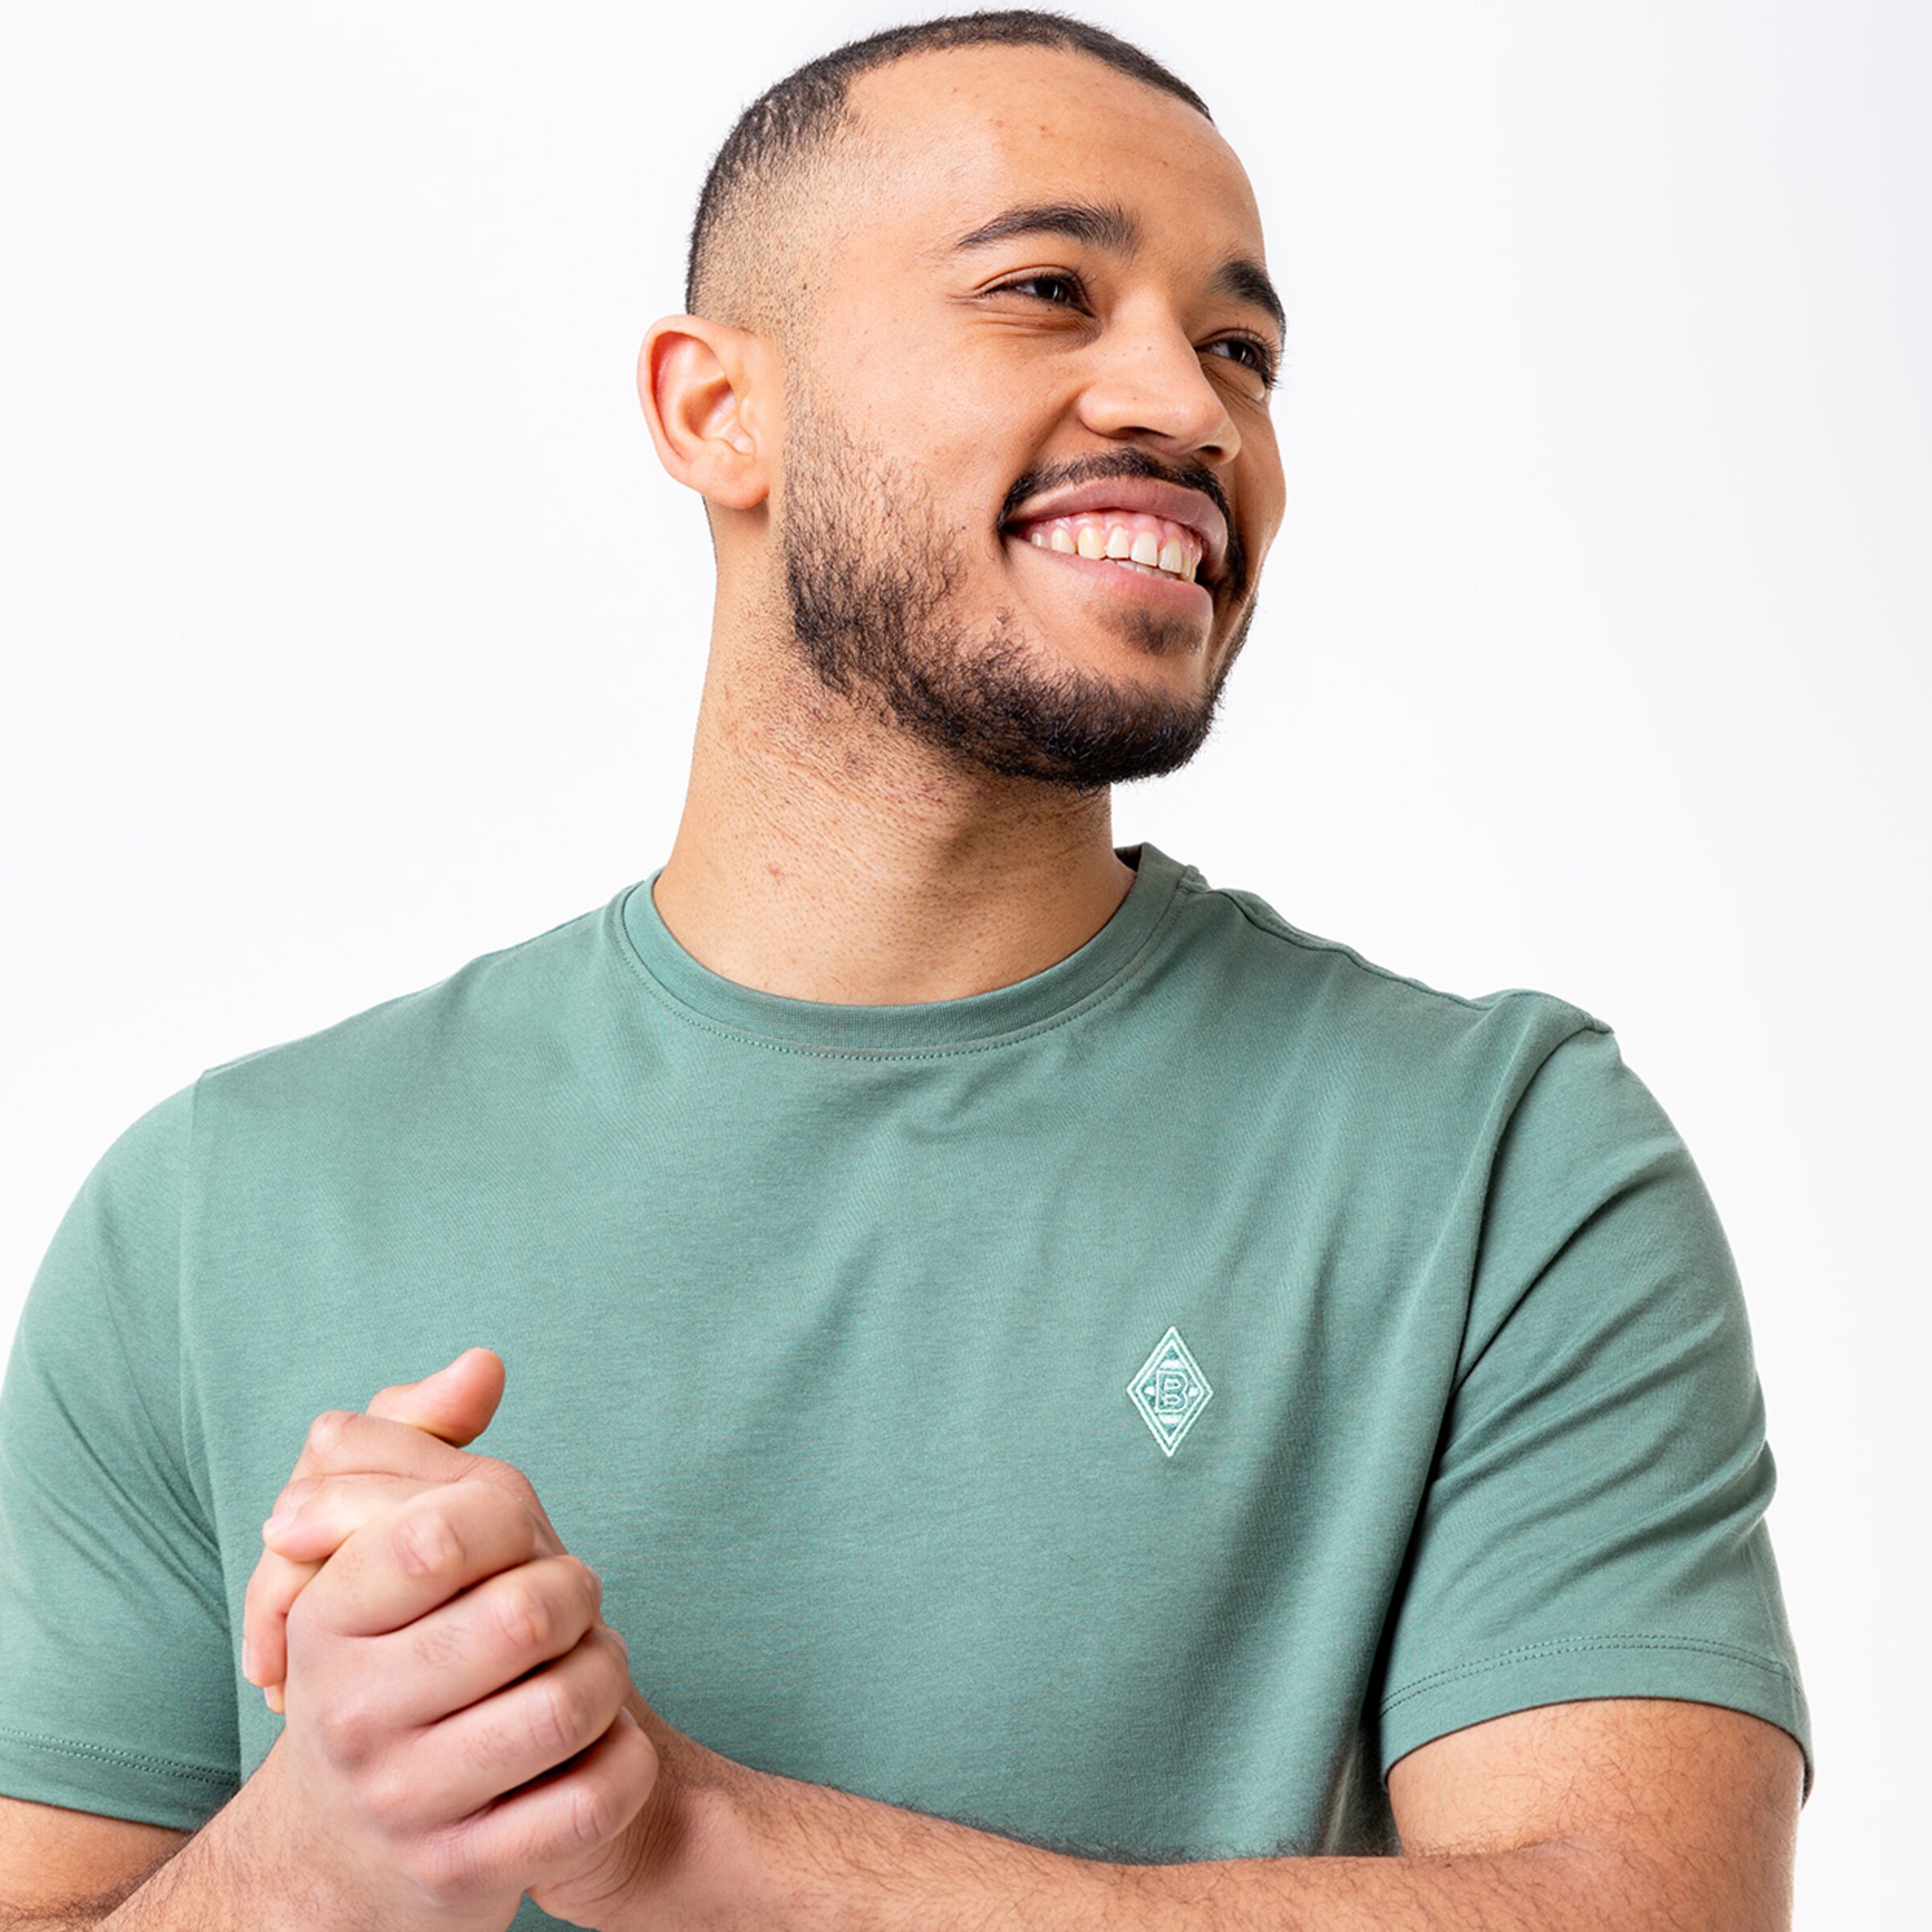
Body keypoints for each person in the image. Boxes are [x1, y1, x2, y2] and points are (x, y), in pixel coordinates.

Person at [0, 11, 1808, 1929]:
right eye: (1047, 291)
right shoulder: (219, 1208)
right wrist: (322, 1849)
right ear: (719, 411)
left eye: (1241, 350)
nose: (1192, 408)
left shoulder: (1502, 1163)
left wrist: (684, 1839)